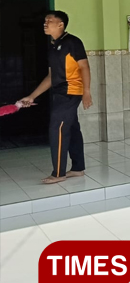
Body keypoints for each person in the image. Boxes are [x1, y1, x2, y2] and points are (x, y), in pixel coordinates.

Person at [21, 11, 93, 184]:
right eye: (45, 21)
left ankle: (58, 173)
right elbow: (51, 76)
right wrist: (32, 96)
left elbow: (84, 67)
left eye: (49, 21)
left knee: (57, 129)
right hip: (59, 93)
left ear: (60, 25)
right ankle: (77, 168)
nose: (45, 24)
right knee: (72, 128)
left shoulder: (73, 42)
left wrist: (87, 92)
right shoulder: (54, 46)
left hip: (71, 92)